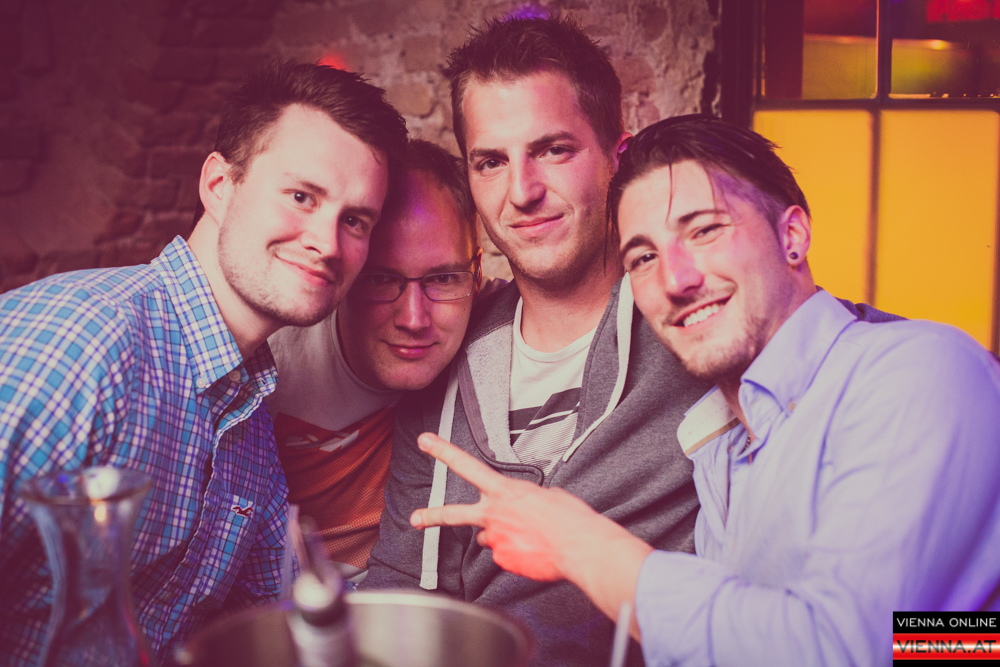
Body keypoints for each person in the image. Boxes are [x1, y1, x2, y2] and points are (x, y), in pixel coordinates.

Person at [409, 115, 1000, 666]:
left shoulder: (919, 370)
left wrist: (581, 543)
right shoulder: (717, 444)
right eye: (644, 257)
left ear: (792, 235)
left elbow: (849, 648)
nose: (676, 279)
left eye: (706, 230)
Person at [0, 60, 407, 665]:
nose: (327, 243)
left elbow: (285, 625)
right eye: (301, 197)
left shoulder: (250, 424)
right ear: (218, 185)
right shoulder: (82, 342)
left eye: (354, 221)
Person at [266, 139, 490, 584]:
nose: (414, 319)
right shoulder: (269, 358)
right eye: (381, 279)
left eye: (443, 278)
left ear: (477, 273)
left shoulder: (499, 326)